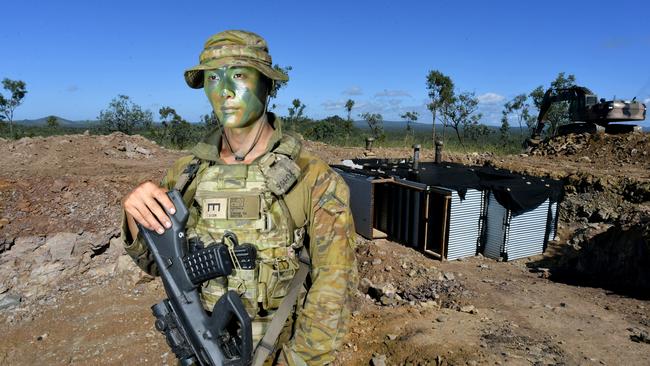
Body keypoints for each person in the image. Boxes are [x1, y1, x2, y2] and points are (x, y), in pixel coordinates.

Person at [120, 30, 358, 366]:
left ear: (267, 85)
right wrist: (135, 214)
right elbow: (154, 264)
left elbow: (334, 290)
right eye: (213, 78)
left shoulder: (314, 179)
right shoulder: (185, 174)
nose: (225, 91)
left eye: (239, 75)